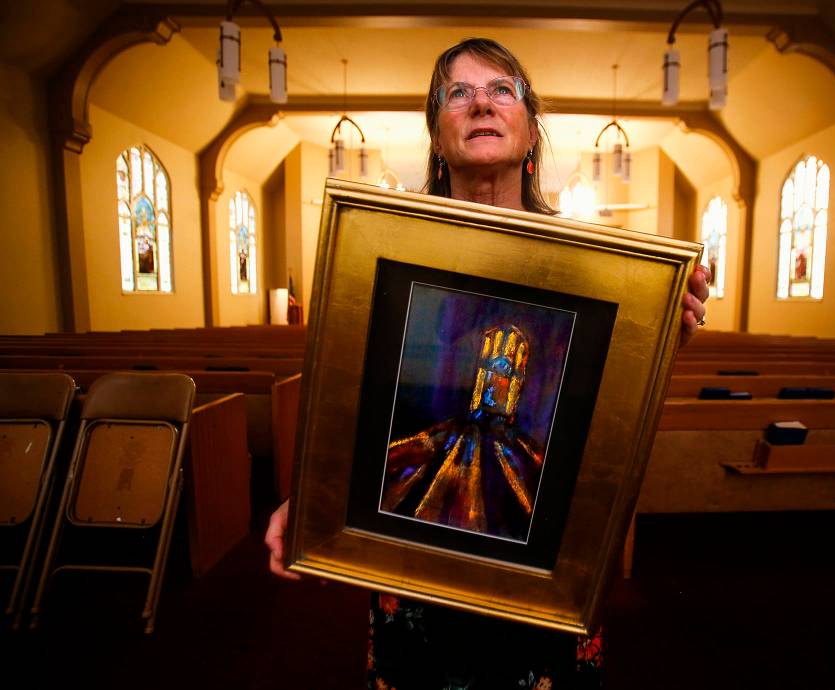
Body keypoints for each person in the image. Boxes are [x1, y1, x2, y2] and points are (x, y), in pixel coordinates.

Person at [265, 38, 710, 689]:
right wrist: (318, 506)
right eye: (459, 91)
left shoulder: (596, 272)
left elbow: (601, 412)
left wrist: (668, 332)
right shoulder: (383, 258)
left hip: (547, 569)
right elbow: (357, 400)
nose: (481, 103)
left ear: (531, 131)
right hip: (413, 562)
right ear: (436, 135)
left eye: (502, 89)